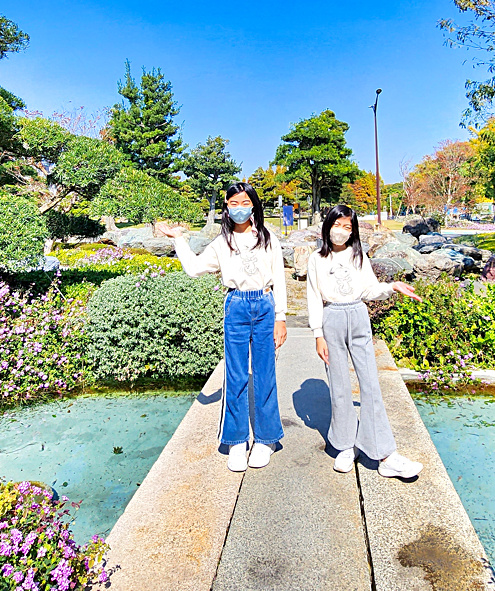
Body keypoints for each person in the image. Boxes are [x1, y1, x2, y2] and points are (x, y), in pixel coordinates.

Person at [155, 182, 288, 472]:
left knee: (265, 373)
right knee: (236, 374)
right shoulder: (221, 243)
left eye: (245, 203)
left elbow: (279, 277)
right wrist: (178, 239)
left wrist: (281, 317)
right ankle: (237, 442)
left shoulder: (267, 238)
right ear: (226, 207)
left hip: (264, 304)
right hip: (236, 305)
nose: (240, 209)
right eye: (234, 204)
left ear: (254, 205)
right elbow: (193, 269)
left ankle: (266, 440)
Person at [307, 204, 425, 478]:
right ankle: (346, 445)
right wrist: (317, 334)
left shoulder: (358, 255)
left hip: (358, 315)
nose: (342, 231)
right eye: (337, 225)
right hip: (331, 317)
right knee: (338, 384)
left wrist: (391, 286)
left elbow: (369, 288)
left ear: (353, 231)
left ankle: (385, 454)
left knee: (370, 383)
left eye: (348, 227)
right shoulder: (316, 258)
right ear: (328, 226)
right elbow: (313, 296)